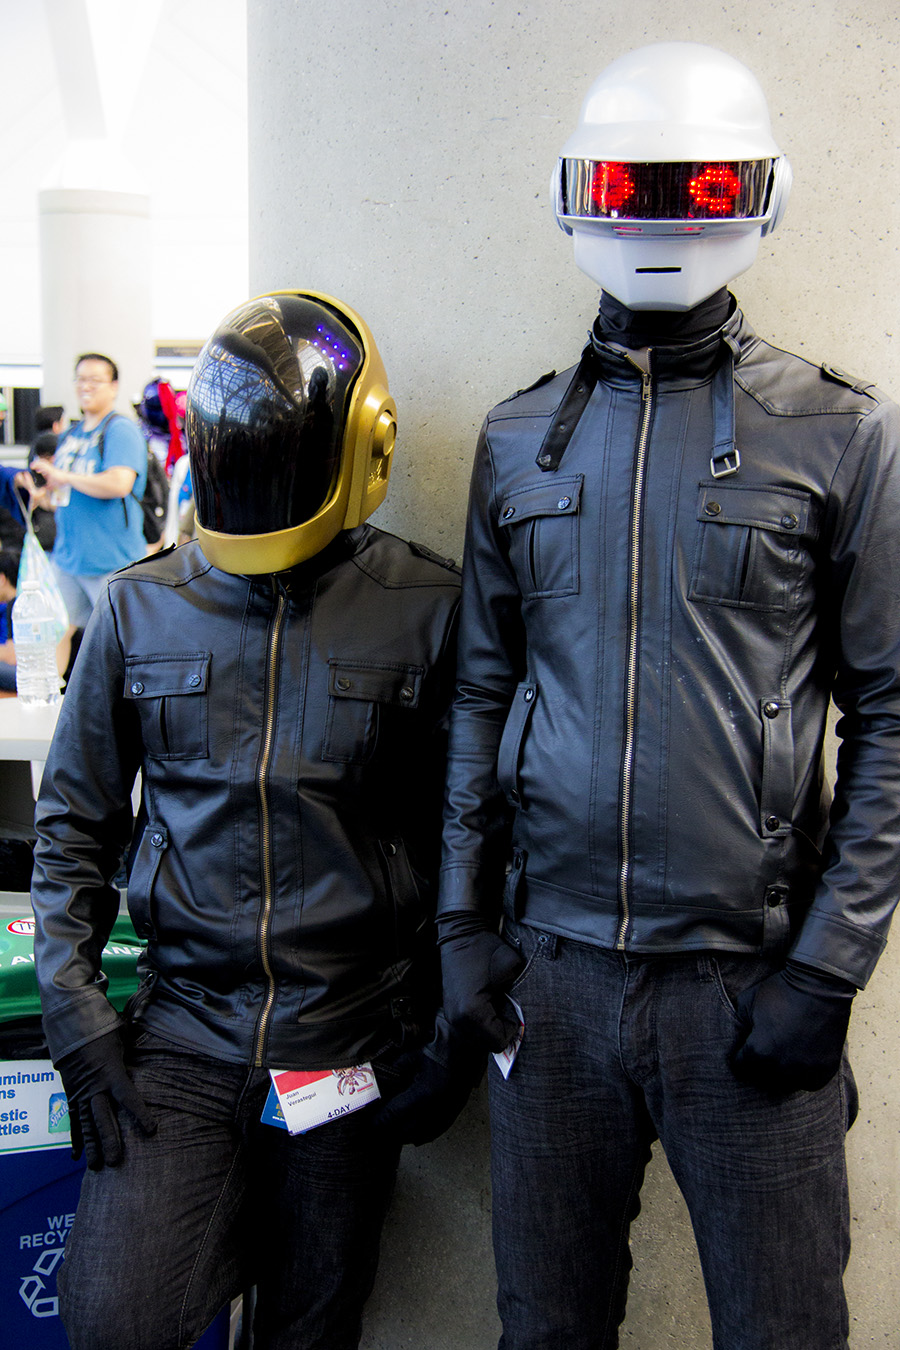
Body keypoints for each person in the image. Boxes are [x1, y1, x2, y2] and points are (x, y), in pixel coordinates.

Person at [437, 42, 900, 1350]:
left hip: (746, 984)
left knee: (783, 1328)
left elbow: (890, 710)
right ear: (576, 193)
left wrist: (828, 969)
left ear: (755, 193)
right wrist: (462, 922)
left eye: (692, 188)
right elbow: (480, 690)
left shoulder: (838, 432)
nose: (656, 220)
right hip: (551, 981)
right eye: (627, 187)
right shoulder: (519, 439)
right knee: (547, 1328)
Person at [31, 291, 475, 1350]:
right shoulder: (140, 606)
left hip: (351, 1042)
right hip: (183, 1035)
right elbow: (73, 826)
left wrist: (448, 1035)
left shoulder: (428, 609)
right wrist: (77, 1017)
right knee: (111, 1320)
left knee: (311, 1329)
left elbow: (474, 838)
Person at [32, 353, 147, 627]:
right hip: (68, 559)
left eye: (95, 380)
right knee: (59, 633)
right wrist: (42, 496)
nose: (86, 386)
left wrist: (65, 476)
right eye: (81, 379)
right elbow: (63, 496)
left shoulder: (120, 430)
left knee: (118, 639)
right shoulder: (70, 435)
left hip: (111, 562)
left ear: (114, 386)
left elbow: (119, 483)